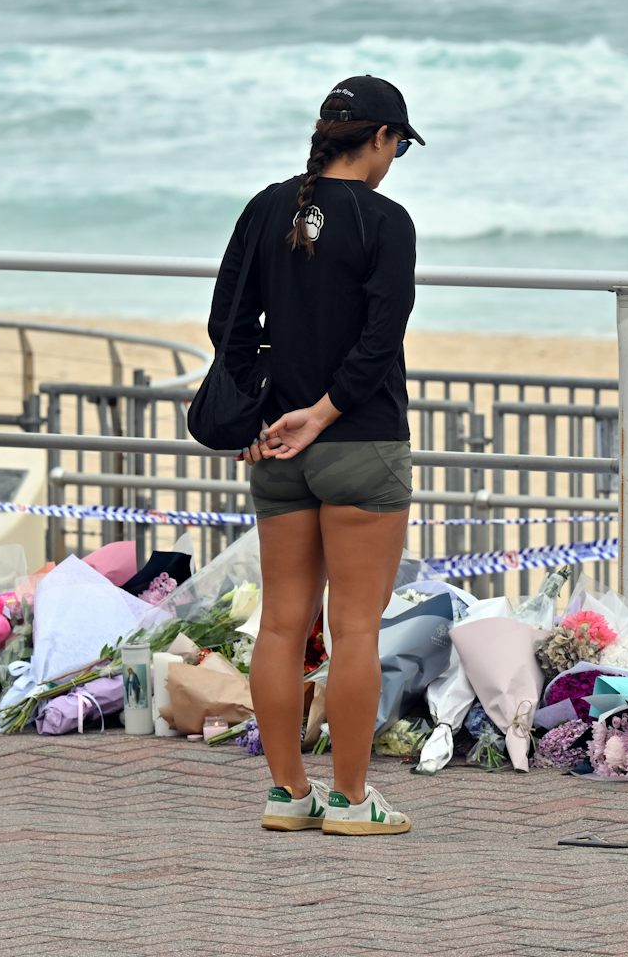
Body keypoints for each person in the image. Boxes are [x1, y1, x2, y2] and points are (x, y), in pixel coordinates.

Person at [207, 75, 423, 837]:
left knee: (279, 624)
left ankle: (287, 794)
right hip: (360, 438)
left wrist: (267, 414)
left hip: (275, 444)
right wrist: (324, 413)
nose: (393, 157)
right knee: (357, 628)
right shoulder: (387, 222)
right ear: (380, 140)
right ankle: (353, 800)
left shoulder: (269, 207)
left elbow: (225, 321)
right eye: (396, 144)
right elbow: (379, 338)